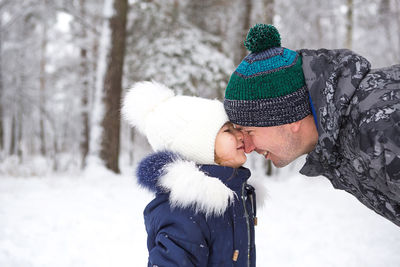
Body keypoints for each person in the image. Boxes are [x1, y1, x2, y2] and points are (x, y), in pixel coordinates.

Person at [224, 24, 400, 227]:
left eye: (248, 131)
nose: (247, 147)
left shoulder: (381, 127)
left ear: (289, 117)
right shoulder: (342, 135)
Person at [122, 81, 263, 266]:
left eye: (236, 129)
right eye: (228, 130)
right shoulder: (184, 210)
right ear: (198, 146)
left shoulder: (234, 192)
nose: (240, 136)